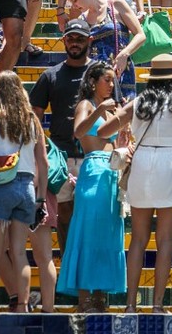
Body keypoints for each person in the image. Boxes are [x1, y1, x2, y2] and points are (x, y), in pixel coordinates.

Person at [99, 54, 172, 312]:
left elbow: (102, 131)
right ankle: (157, 305)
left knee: (138, 239)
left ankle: (130, 305)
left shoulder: (138, 103)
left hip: (143, 164)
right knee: (165, 240)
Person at [29, 19, 121, 264]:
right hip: (62, 158)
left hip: (97, 158)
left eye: (80, 38)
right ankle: (71, 267)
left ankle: (91, 269)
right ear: (64, 40)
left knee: (94, 216)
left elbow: (118, 113)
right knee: (65, 215)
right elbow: (34, 115)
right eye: (70, 38)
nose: (75, 43)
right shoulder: (50, 75)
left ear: (90, 40)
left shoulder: (102, 75)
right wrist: (43, 148)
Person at [0, 71, 49, 312]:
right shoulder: (32, 120)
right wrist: (41, 198)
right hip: (25, 188)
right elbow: (43, 162)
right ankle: (23, 305)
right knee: (19, 253)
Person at [56, 61, 128, 311]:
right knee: (87, 230)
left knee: (107, 233)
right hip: (93, 168)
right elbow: (78, 132)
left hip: (112, 171)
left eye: (112, 80)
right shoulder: (86, 105)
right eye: (106, 79)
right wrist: (99, 112)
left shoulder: (112, 110)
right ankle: (84, 297)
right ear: (92, 82)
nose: (111, 84)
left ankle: (99, 296)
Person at [60, 0, 146, 101]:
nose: (74, 6)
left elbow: (140, 35)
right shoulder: (82, 20)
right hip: (96, 80)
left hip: (121, 73)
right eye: (71, 3)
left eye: (75, 0)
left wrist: (125, 54)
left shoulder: (116, 5)